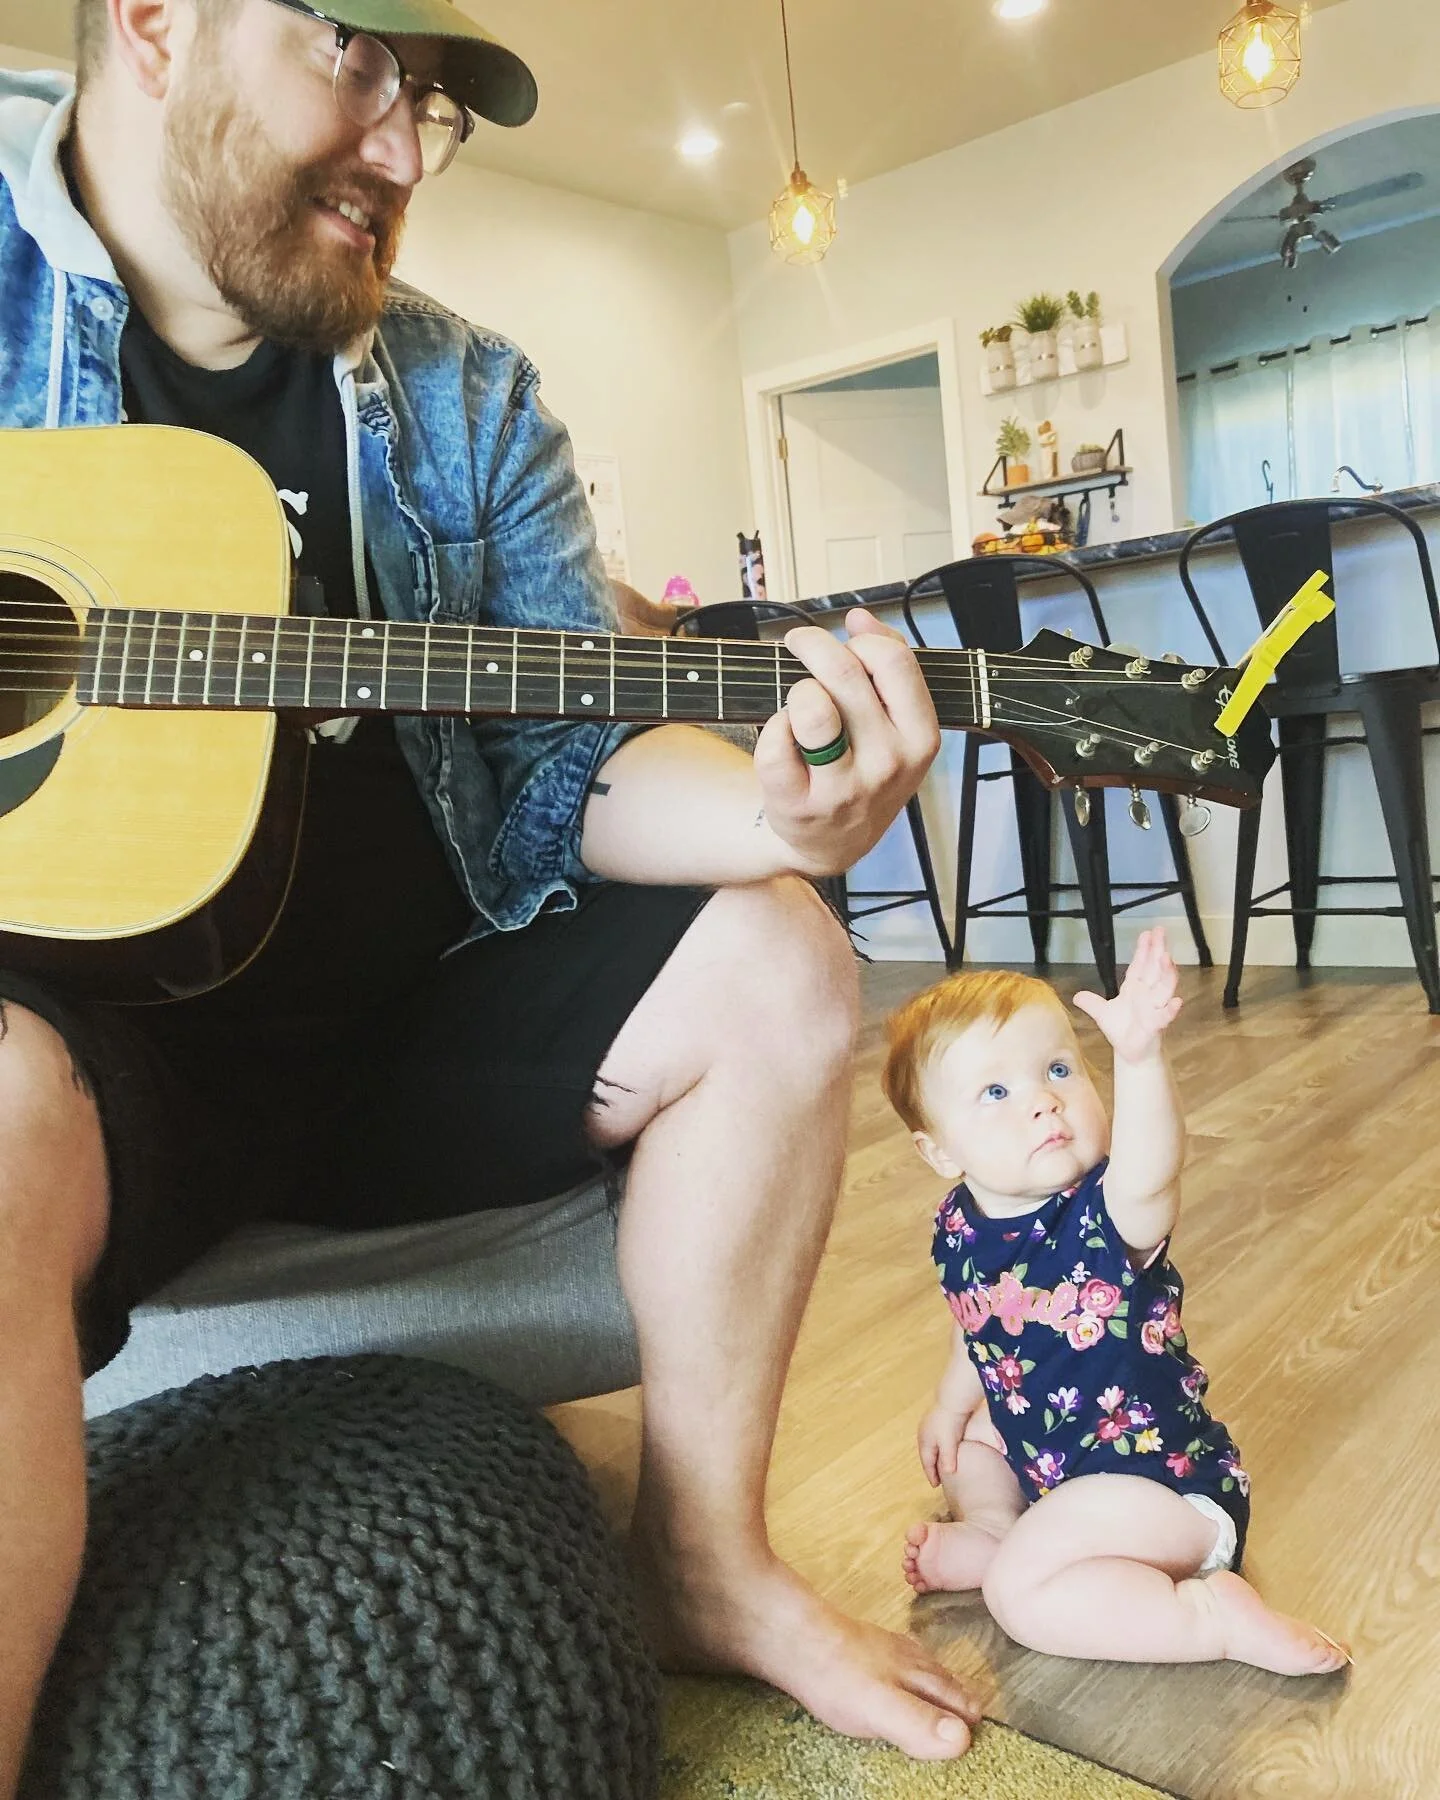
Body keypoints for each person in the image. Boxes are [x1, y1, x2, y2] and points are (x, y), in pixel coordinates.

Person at [0, 0, 985, 1786]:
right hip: (84, 1072)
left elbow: (568, 765)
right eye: (360, 61)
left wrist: (783, 816)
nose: (402, 151)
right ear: (154, 22)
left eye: (433, 102)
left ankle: (706, 1564)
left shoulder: (466, 393)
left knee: (781, 957)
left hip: (411, 1033)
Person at [884, 932, 1351, 1674]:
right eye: (996, 1092)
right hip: (1056, 1468)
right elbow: (977, 1322)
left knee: (1022, 1597)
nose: (1043, 1100)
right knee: (971, 1438)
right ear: (939, 1151)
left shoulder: (1106, 1215)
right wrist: (947, 1406)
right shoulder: (960, 1227)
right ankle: (996, 1525)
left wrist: (1139, 1060)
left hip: (1160, 1491)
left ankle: (1211, 1617)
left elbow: (1151, 1169)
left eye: (1059, 1069)